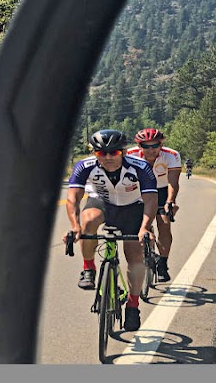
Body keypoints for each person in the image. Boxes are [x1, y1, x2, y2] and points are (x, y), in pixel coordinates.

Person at [65, 128, 158, 331]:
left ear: (123, 152)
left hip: (132, 208)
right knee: (88, 221)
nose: (108, 158)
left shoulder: (140, 167)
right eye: (101, 153)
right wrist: (75, 226)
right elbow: (73, 197)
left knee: (134, 255)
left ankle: (133, 305)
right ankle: (88, 268)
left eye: (113, 153)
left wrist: (144, 228)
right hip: (102, 203)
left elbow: (151, 199)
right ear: (94, 153)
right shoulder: (85, 166)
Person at [133, 128, 183, 282]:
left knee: (164, 222)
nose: (151, 150)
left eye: (155, 145)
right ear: (139, 146)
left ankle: (162, 263)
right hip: (138, 191)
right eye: (146, 146)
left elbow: (173, 183)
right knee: (136, 224)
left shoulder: (172, 155)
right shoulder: (129, 155)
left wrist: (170, 201)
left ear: (161, 144)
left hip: (161, 190)